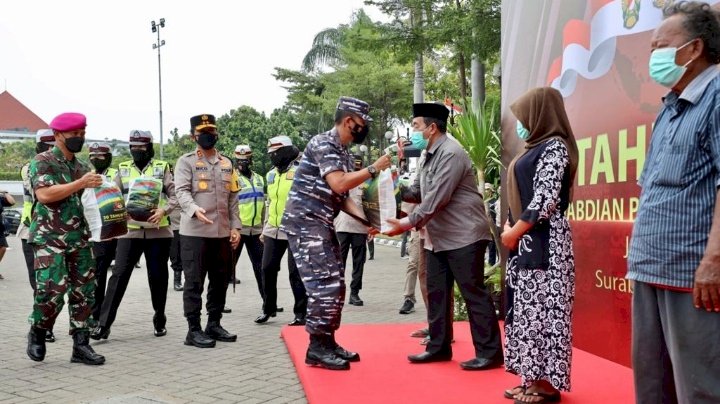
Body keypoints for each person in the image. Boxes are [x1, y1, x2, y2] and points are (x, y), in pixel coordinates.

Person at [627, 3, 720, 403]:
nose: (653, 57)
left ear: (695, 48)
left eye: (660, 46)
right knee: (653, 381)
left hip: (691, 274)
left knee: (699, 387)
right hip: (651, 265)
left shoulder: (716, 97)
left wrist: (713, 262)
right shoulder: (669, 107)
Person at [386, 103, 501, 371]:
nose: (412, 132)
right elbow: (417, 191)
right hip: (437, 236)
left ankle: (490, 353)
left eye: (415, 126)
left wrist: (405, 223)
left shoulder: (451, 153)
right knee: (437, 293)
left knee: (473, 293)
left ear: (432, 128)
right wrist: (390, 184)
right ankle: (438, 347)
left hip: (464, 235)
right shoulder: (427, 153)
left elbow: (437, 198)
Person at [282, 96, 391, 370]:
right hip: (306, 223)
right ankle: (316, 347)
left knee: (337, 284)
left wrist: (367, 223)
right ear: (348, 121)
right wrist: (373, 168)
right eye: (362, 122)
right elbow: (339, 181)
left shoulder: (341, 150)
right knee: (323, 284)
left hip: (322, 222)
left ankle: (327, 340)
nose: (364, 127)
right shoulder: (323, 143)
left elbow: (341, 196)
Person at [501, 87, 578, 403]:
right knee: (526, 312)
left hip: (547, 244)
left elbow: (545, 198)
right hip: (525, 239)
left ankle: (547, 386)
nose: (521, 124)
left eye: (524, 117)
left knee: (545, 313)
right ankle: (530, 377)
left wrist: (515, 230)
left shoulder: (555, 147)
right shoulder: (534, 147)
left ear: (540, 114)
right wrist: (511, 227)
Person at [25, 112, 105, 365]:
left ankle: (81, 346)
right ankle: (38, 331)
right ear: (58, 135)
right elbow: (45, 195)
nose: (79, 138)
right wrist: (80, 183)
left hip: (78, 238)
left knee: (85, 292)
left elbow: (89, 202)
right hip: (49, 238)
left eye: (82, 134)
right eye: (74, 135)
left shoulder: (80, 166)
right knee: (51, 291)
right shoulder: (43, 161)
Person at [92, 130, 177, 340]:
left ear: (149, 147)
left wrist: (163, 211)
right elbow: (113, 195)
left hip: (158, 231)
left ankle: (159, 318)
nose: (136, 150)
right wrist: (119, 210)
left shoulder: (162, 167)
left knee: (158, 278)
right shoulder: (123, 169)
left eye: (141, 147)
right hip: (129, 232)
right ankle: (103, 325)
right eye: (133, 147)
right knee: (118, 275)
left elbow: (176, 195)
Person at [175, 114, 241, 348]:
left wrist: (236, 227)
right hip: (195, 232)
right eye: (203, 132)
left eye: (211, 131)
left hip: (221, 232)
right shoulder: (186, 162)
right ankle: (193, 330)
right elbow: (181, 192)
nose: (208, 135)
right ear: (194, 136)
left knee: (220, 281)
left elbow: (233, 198)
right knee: (194, 282)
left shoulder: (226, 163)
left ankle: (214, 323)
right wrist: (193, 209)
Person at [255, 135, 307, 326]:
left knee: (295, 272)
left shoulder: (302, 170)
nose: (272, 156)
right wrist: (265, 227)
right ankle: (268, 309)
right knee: (267, 268)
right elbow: (271, 202)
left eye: (275, 153)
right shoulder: (271, 174)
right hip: (273, 229)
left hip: (295, 229)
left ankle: (301, 313)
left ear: (285, 151)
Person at [17, 129, 56, 341]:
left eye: (53, 145)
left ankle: (45, 325)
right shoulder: (29, 168)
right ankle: (41, 327)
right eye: (46, 145)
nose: (50, 149)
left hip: (57, 233)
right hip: (31, 231)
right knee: (39, 284)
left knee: (53, 284)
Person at [86, 142, 118, 324]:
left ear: (108, 158)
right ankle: (96, 314)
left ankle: (107, 315)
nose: (96, 159)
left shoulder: (116, 175)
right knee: (98, 275)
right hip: (99, 234)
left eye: (100, 156)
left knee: (118, 274)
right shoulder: (86, 176)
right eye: (93, 156)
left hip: (119, 230)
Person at [335, 155, 370, 307]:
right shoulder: (341, 181)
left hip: (360, 228)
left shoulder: (367, 184)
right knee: (338, 262)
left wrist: (372, 226)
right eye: (353, 166)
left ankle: (354, 293)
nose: (356, 168)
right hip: (342, 226)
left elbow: (371, 207)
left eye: (359, 166)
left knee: (358, 263)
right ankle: (337, 292)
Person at [231, 144, 265, 297]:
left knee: (261, 268)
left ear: (251, 160)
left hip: (256, 231)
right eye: (239, 160)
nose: (242, 163)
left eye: (245, 160)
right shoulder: (232, 178)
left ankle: (268, 302)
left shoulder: (259, 178)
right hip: (238, 230)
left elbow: (263, 205)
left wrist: (264, 228)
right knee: (227, 267)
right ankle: (219, 304)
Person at [169, 205, 183, 291]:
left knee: (179, 253)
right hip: (167, 222)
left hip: (183, 222)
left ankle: (178, 281)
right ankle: (176, 281)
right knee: (174, 253)